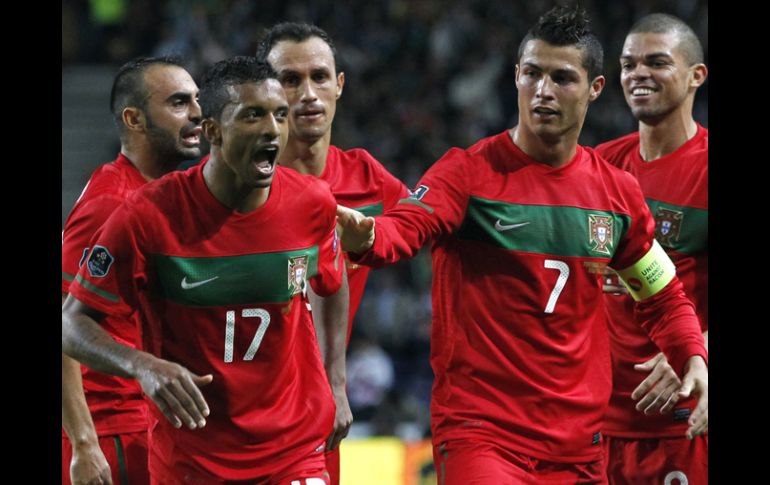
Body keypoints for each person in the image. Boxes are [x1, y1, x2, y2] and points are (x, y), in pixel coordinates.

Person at [336, 6, 708, 484]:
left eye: (562, 78)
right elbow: (406, 228)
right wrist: (369, 237)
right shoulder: (468, 173)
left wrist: (691, 355)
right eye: (531, 73)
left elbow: (661, 294)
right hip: (483, 435)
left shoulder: (614, 193)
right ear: (515, 77)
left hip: (579, 445)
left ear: (595, 89)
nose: (543, 91)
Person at [62, 56, 349, 484]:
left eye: (279, 115)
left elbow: (333, 273)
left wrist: (335, 380)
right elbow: (70, 321)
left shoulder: (311, 202)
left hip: (292, 449)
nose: (272, 128)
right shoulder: (130, 209)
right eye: (179, 103)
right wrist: (88, 436)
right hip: (160, 435)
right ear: (215, 131)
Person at [256, 22, 410, 484]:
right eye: (289, 79)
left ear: (339, 85)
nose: (308, 93)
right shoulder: (232, 185)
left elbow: (435, 230)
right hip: (233, 406)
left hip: (318, 411)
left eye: (320, 77)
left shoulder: (370, 182)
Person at [61, 55, 203, 485]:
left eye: (197, 100)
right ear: (134, 119)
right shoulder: (113, 201)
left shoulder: (150, 194)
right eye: (179, 103)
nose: (197, 112)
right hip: (114, 431)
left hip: (144, 418)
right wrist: (85, 443)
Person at [595, 13, 708, 484]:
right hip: (594, 421)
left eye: (657, 62)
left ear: (696, 75)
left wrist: (697, 346)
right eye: (628, 64)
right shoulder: (600, 167)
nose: (638, 74)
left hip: (682, 419)